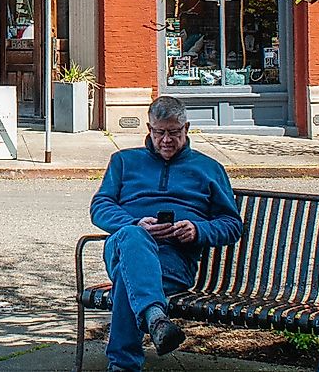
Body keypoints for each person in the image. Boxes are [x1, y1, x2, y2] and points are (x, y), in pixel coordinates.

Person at [90, 96, 242, 372]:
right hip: (124, 247)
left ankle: (126, 361)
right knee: (133, 236)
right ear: (149, 128)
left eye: (174, 132)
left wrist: (198, 230)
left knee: (128, 279)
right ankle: (157, 319)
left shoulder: (209, 169)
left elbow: (232, 224)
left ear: (187, 128)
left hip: (173, 261)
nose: (166, 140)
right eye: (159, 132)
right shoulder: (123, 161)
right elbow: (100, 206)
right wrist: (136, 222)